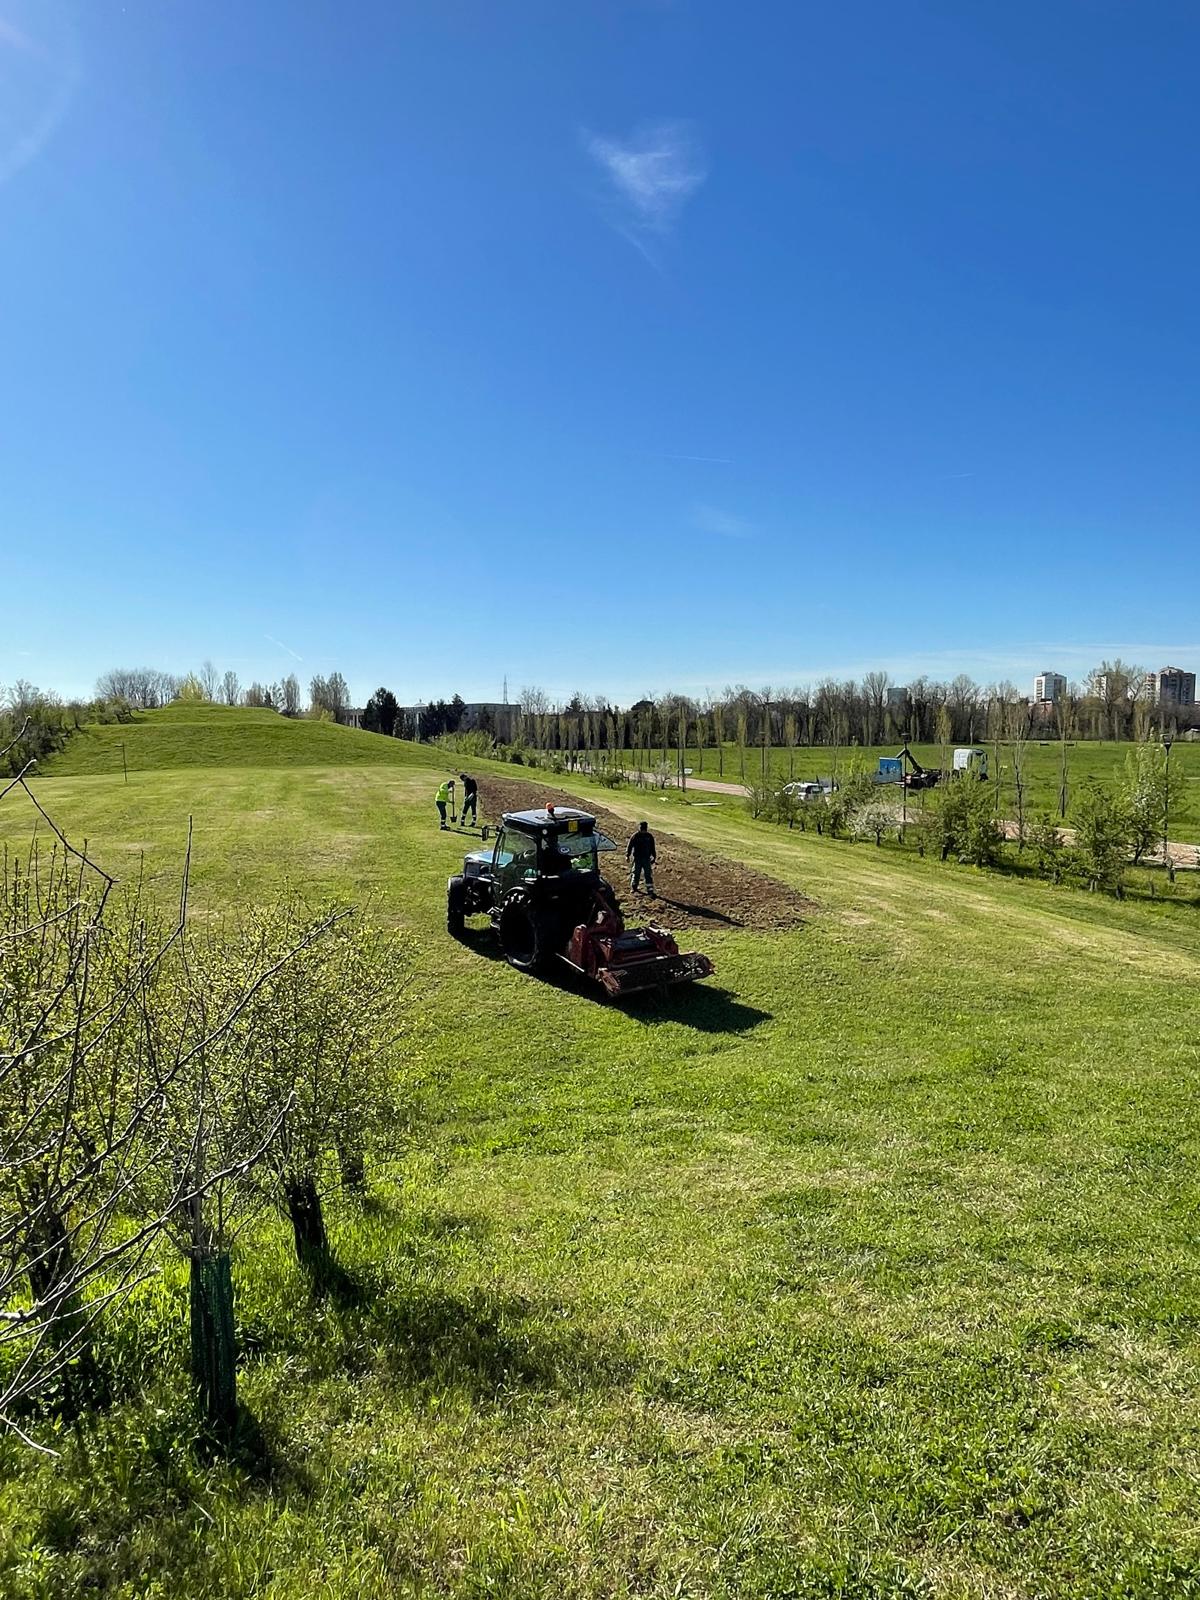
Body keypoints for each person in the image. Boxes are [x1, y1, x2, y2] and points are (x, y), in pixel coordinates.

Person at [626, 820, 656, 894]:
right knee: (636, 873)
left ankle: (650, 890)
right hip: (637, 859)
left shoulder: (649, 836)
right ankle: (634, 887)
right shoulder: (635, 836)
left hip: (646, 858)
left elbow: (652, 847)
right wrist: (627, 855)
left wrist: (654, 856)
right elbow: (630, 846)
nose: (643, 831)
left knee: (648, 874)